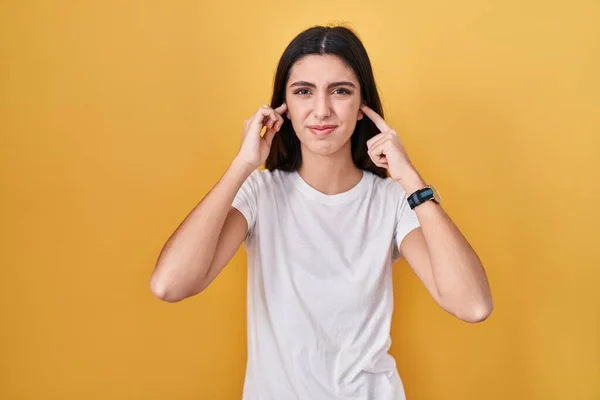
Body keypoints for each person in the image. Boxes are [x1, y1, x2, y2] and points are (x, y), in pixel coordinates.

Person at [150, 25, 493, 400]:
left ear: (364, 107)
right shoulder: (261, 194)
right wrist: (243, 164)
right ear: (283, 106)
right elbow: (170, 285)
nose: (321, 110)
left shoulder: (392, 201)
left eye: (340, 91)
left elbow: (472, 305)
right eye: (303, 92)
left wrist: (410, 178)